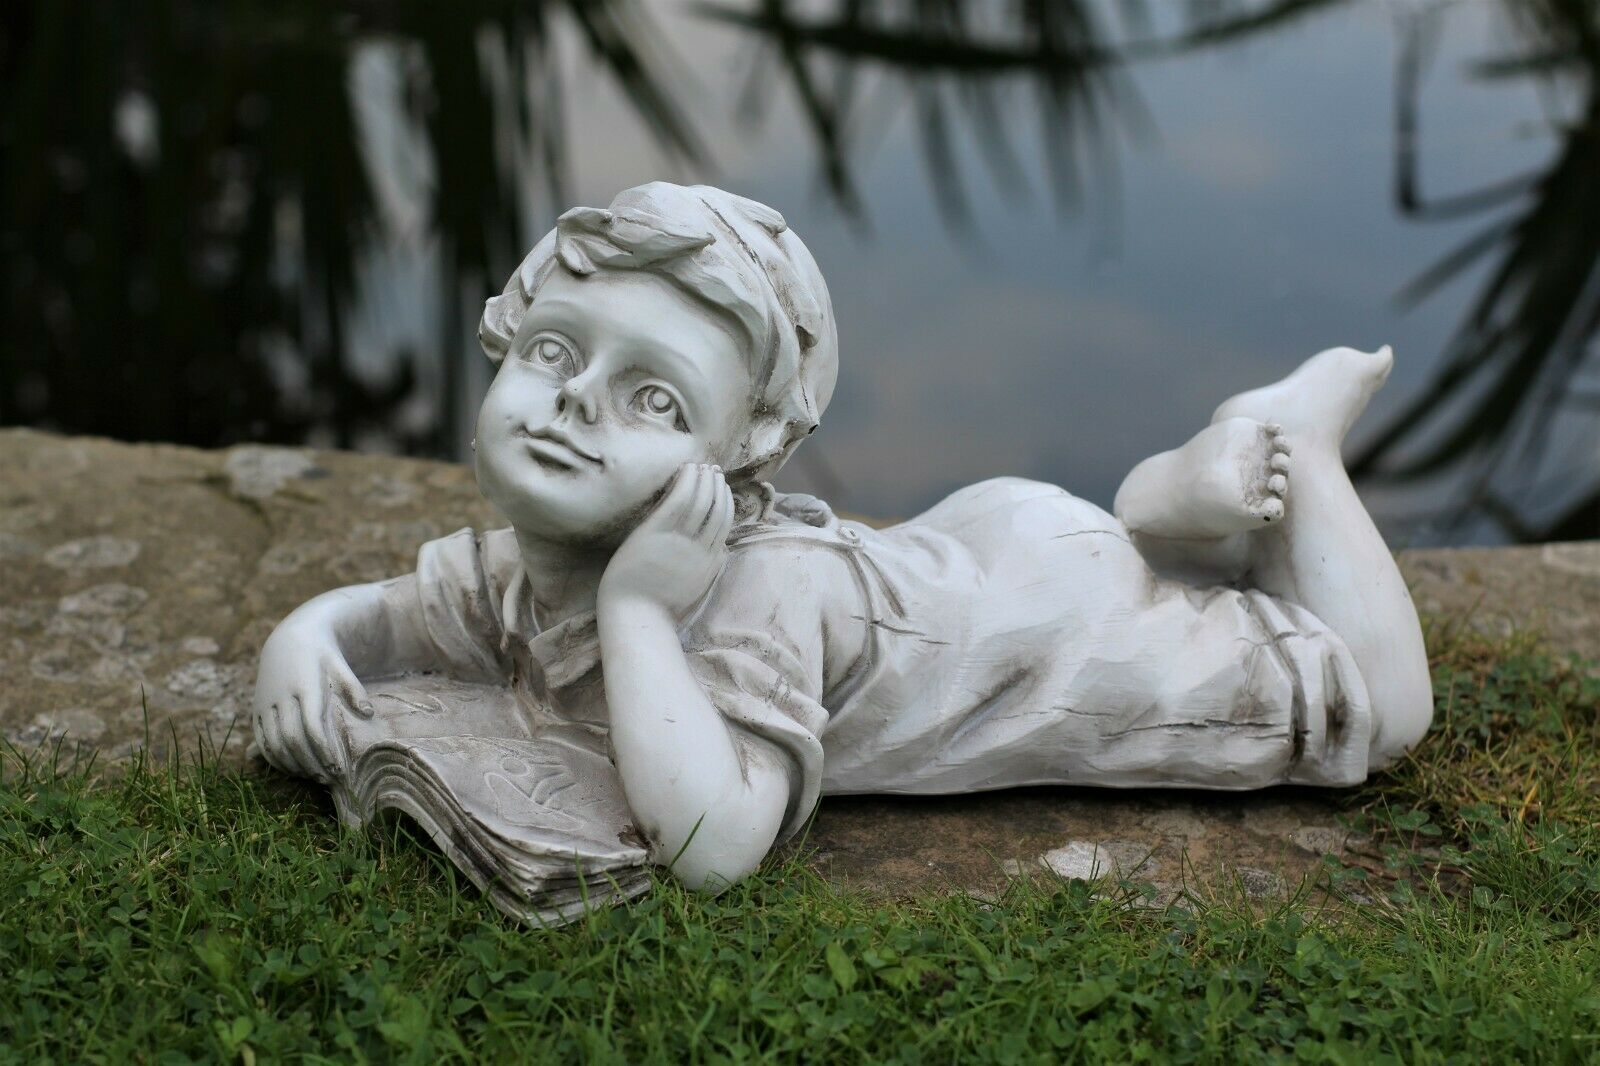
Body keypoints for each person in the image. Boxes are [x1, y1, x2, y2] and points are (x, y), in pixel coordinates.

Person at [252, 182, 1433, 894]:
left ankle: (1287, 443)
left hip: (1037, 626)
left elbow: (713, 845)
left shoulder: (753, 597)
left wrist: (639, 613)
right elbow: (398, 615)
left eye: (654, 399)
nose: (573, 404)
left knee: (1379, 713)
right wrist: (304, 643)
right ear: (505, 342)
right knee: (1136, 551)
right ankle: (1174, 508)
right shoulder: (531, 564)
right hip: (980, 541)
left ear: (737, 462)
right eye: (557, 351)